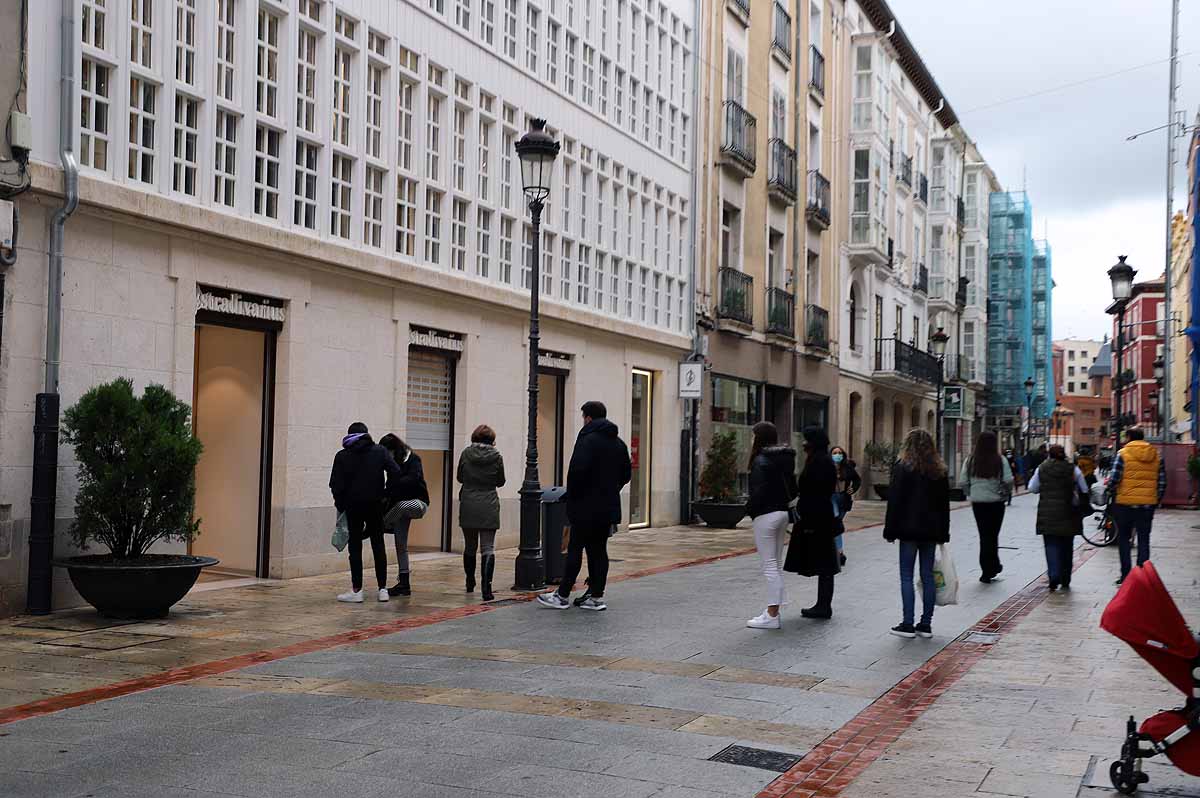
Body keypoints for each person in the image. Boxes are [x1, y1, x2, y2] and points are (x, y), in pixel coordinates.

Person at [537, 401, 631, 612]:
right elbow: (626, 475)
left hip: (584, 508)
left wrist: (574, 499)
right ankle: (596, 597)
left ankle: (562, 595)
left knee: (575, 549)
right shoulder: (618, 444)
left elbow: (576, 473)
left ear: (588, 417)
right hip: (607, 508)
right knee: (599, 551)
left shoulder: (587, 440)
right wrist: (610, 489)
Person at [883, 428, 950, 639]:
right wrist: (943, 532)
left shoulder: (902, 468)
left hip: (908, 529)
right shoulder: (938, 471)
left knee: (906, 575)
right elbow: (944, 506)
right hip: (930, 531)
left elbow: (894, 501)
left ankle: (907, 623)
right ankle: (925, 624)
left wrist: (890, 529)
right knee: (927, 576)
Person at [329, 422, 403, 603]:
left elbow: (335, 485)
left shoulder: (342, 455)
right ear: (367, 434)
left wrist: (342, 505)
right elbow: (396, 472)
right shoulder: (380, 451)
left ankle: (357, 590)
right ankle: (382, 589)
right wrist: (385, 495)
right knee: (378, 545)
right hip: (375, 505)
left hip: (353, 507)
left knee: (355, 548)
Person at [742, 422, 796, 630]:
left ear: (759, 437)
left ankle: (772, 615)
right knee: (776, 563)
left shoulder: (761, 460)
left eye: (753, 435)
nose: (751, 439)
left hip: (766, 515)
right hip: (782, 513)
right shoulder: (784, 458)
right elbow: (793, 487)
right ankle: (773, 610)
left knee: (769, 565)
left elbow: (758, 492)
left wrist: (748, 509)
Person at [784, 427, 839, 620]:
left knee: (825, 564)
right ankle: (822, 604)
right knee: (825, 562)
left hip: (817, 517)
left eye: (806, 440)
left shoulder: (820, 462)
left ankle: (823, 606)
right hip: (819, 516)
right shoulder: (821, 460)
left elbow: (813, 490)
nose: (803, 443)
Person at [1107, 427, 1166, 585]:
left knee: (1124, 538)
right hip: (1147, 505)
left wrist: (1111, 490)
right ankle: (1143, 575)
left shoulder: (1122, 454)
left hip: (1125, 504)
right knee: (1144, 538)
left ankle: (1126, 575)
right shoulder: (1156, 455)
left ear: (1128, 437)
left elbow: (1114, 478)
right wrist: (1155, 499)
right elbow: (1161, 482)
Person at [1028, 444, 1088, 591]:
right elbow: (1084, 488)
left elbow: (1032, 488)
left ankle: (1054, 575)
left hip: (1048, 514)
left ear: (1049, 455)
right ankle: (1065, 578)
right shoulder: (1072, 469)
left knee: (1051, 546)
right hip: (1069, 513)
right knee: (1067, 547)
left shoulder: (1042, 468)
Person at [456, 425, 506, 601]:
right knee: (488, 547)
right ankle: (487, 588)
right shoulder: (497, 456)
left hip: (469, 502)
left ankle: (470, 581)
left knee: (470, 546)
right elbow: (501, 481)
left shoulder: (465, 454)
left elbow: (460, 477)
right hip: (489, 503)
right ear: (491, 439)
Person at [960, 431, 1014, 584]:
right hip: (996, 502)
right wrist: (1005, 493)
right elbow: (1008, 480)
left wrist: (971, 493)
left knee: (984, 535)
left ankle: (987, 569)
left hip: (978, 503)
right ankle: (992, 566)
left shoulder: (971, 460)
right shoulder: (1000, 460)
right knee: (993, 535)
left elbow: (963, 481)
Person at [379, 434, 429, 597]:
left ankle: (382, 524)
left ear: (394, 449)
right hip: (399, 509)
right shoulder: (392, 464)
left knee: (402, 505)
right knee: (401, 545)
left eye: (388, 452)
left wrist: (394, 486)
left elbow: (413, 480)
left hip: (418, 503)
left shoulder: (413, 459)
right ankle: (404, 583)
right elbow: (390, 487)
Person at [830, 446, 861, 567]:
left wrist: (852, 489)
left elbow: (857, 480)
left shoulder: (847, 467)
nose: (837, 455)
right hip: (830, 499)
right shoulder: (827, 467)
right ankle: (839, 552)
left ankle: (837, 552)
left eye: (839, 453)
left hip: (843, 500)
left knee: (836, 524)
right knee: (835, 524)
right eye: (834, 453)